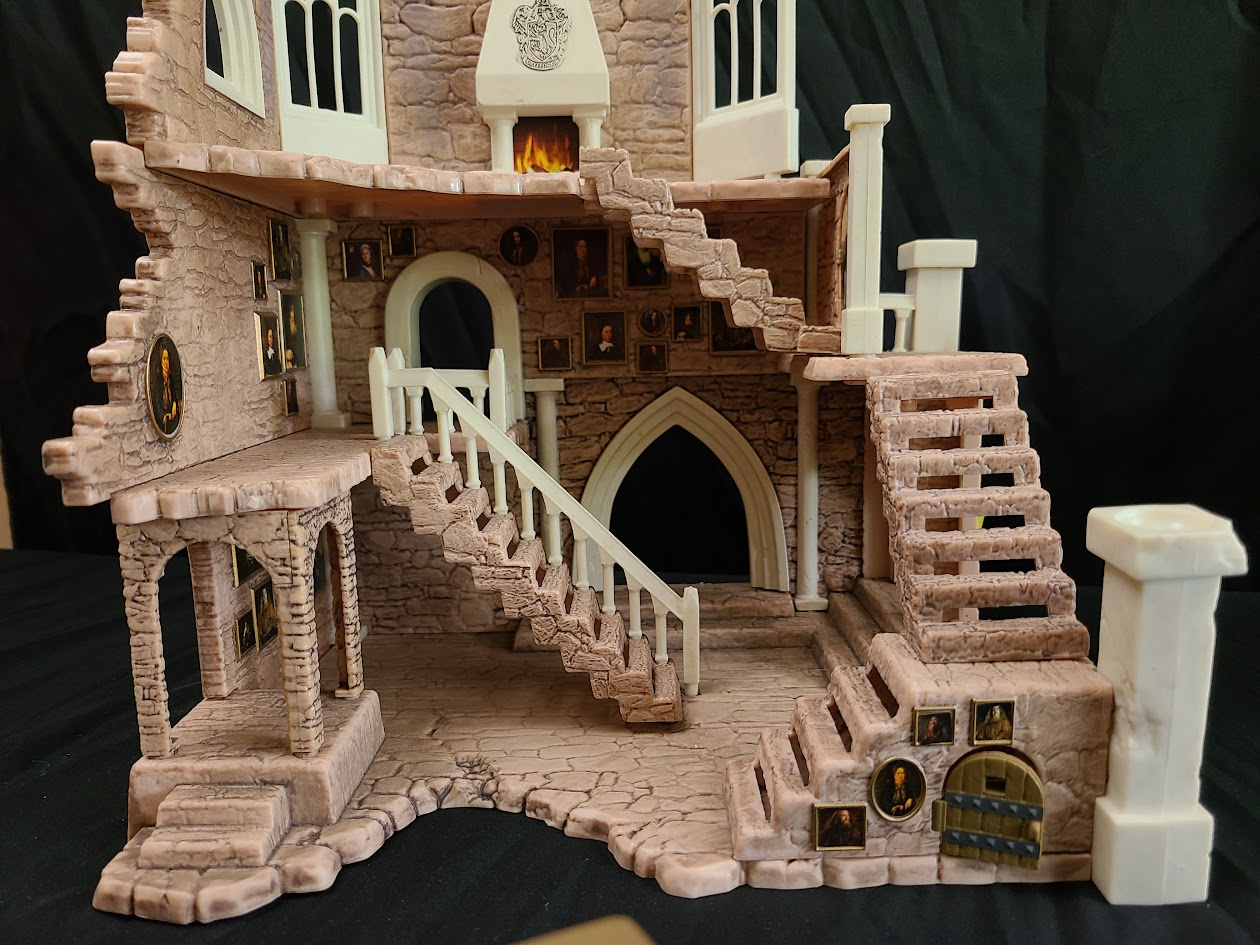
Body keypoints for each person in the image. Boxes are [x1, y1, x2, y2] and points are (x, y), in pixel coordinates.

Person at [150, 342, 182, 436]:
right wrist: (164, 415)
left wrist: (175, 404)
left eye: (167, 359)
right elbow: (157, 405)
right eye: (164, 359)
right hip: (164, 422)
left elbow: (174, 397)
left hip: (173, 419)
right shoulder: (158, 382)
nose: (166, 362)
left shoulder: (171, 380)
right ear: (161, 361)